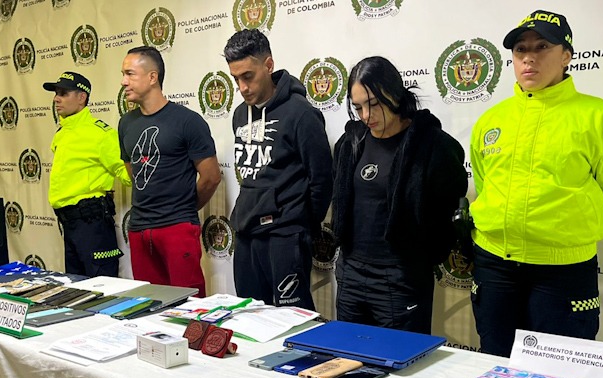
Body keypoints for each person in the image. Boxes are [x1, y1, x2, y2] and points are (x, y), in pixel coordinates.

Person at [470, 10, 603, 356]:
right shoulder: (491, 120)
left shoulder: (602, 118)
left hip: (563, 270)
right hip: (495, 264)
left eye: (542, 46)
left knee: (559, 375)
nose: (529, 57)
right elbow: (486, 186)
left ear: (566, 56)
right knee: (494, 360)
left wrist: (568, 232)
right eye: (520, 50)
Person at [332, 56, 467, 334]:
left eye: (373, 104)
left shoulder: (432, 146)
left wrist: (416, 260)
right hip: (351, 272)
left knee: (401, 367)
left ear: (394, 94)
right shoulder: (350, 142)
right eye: (358, 107)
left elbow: (447, 212)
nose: (366, 116)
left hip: (401, 276)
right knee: (346, 361)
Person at [223, 29, 333, 311]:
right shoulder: (239, 115)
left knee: (292, 318)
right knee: (249, 316)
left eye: (248, 76)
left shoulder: (300, 113)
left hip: (285, 236)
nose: (243, 87)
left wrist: (300, 225)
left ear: (268, 65)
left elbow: (321, 179)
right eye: (236, 79)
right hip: (247, 234)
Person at [119, 46, 220, 297]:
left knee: (190, 305)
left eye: (130, 74)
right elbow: (133, 170)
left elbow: (211, 176)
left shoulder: (188, 121)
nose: (124, 82)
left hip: (177, 227)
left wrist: (184, 207)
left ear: (152, 77)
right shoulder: (125, 123)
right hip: (139, 228)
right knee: (151, 305)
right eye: (123, 74)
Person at [43, 71, 131, 277]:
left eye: (64, 93)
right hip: (69, 223)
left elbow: (128, 175)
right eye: (56, 93)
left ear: (81, 97)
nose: (56, 98)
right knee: (77, 289)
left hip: (92, 223)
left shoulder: (101, 134)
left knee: (103, 290)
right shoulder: (62, 133)